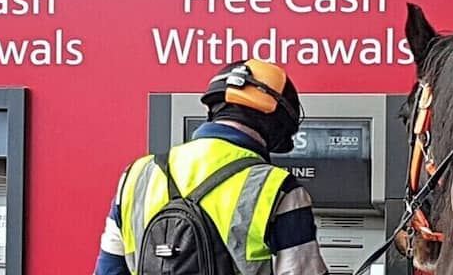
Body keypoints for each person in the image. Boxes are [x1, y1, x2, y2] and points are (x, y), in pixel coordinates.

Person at [95, 59, 328, 275]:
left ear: (213, 109)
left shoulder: (137, 175)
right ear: (279, 124)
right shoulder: (277, 188)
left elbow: (109, 269)